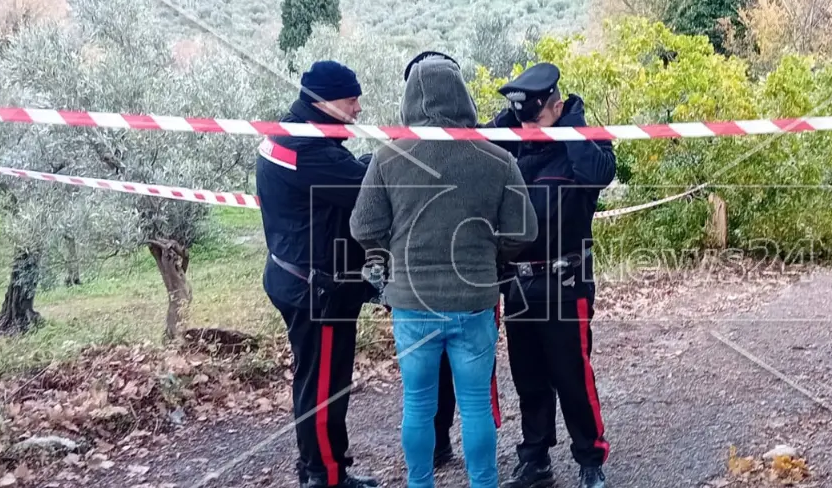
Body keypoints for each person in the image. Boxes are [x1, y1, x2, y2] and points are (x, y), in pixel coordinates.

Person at [351, 53, 538, 488]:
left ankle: (420, 483)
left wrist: (389, 252)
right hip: (474, 300)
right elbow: (524, 229)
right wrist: (493, 254)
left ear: (410, 100)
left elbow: (363, 226)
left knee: (417, 405)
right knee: (474, 405)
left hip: (412, 304)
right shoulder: (496, 159)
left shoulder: (388, 158)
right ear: (464, 98)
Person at [487, 63, 616, 488]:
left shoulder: (582, 142)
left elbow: (600, 174)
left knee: (572, 377)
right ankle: (535, 459)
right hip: (518, 283)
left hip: (566, 282)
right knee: (528, 378)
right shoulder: (512, 142)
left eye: (536, 117)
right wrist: (513, 122)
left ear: (558, 106)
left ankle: (590, 460)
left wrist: (572, 126)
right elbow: (471, 145)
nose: (529, 127)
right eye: (521, 118)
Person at [257, 60, 381, 488]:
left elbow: (345, 173)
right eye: (352, 100)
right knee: (326, 388)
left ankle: (320, 467)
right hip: (318, 291)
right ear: (325, 102)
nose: (359, 108)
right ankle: (325, 477)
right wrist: (389, 160)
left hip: (294, 278)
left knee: (314, 380)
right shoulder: (310, 152)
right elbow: (367, 189)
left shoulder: (289, 135)